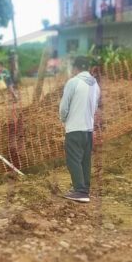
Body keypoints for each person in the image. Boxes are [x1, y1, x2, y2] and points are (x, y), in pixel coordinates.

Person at [59, 56, 101, 203]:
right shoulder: (95, 85)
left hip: (74, 128)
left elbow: (64, 107)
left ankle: (80, 191)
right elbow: (95, 107)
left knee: (73, 160)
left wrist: (63, 119)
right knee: (85, 160)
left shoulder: (73, 82)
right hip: (89, 130)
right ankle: (85, 189)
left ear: (76, 68)